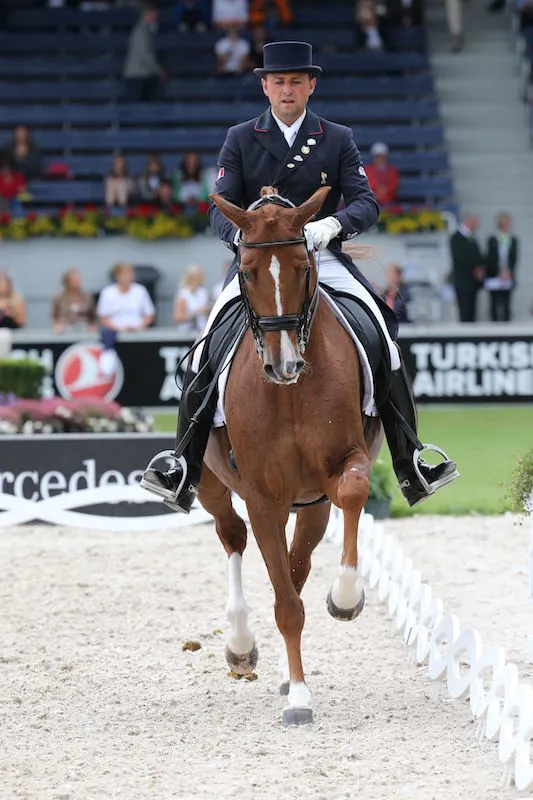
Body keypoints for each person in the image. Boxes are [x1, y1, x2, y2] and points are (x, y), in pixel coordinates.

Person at [141, 40, 458, 513]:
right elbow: (218, 207)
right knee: (205, 348)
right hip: (259, 261)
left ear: (310, 85)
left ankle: (411, 458)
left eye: (296, 81)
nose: (287, 90)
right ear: (266, 86)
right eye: (278, 82)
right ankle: (182, 466)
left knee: (384, 341)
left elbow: (365, 202)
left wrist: (332, 225)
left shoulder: (336, 137)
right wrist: (243, 240)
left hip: (320, 256)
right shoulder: (241, 138)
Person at [122, 3, 165, 102]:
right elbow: (144, 55)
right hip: (136, 78)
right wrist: (158, 69)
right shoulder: (140, 31)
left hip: (143, 77)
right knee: (137, 111)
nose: (155, 17)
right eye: (153, 15)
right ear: (146, 14)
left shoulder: (146, 31)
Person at [97, 263, 155, 334]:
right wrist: (117, 328)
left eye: (130, 274)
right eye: (124, 274)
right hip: (114, 332)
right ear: (117, 276)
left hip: (138, 331)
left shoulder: (140, 290)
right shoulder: (107, 292)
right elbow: (103, 317)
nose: (128, 277)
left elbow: (149, 315)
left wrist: (140, 326)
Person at [449, 214, 485, 322]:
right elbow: (460, 258)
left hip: (473, 282)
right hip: (462, 281)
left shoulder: (472, 238)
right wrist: (474, 269)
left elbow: (479, 256)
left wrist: (481, 269)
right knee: (464, 311)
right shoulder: (456, 238)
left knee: (472, 311)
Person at [485, 213, 518, 323]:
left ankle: (507, 327)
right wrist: (499, 272)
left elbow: (514, 259)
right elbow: (490, 258)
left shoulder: (513, 239)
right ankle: (494, 328)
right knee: (494, 303)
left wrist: (508, 272)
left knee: (506, 303)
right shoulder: (493, 239)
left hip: (508, 275)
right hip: (495, 275)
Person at [52, 268, 96, 333]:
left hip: (84, 328)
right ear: (67, 281)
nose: (76, 283)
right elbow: (54, 316)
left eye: (78, 280)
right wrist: (56, 326)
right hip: (64, 328)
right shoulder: (58, 297)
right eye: (73, 280)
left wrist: (93, 327)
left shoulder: (87, 297)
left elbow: (93, 316)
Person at [174, 264, 211, 334]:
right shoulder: (183, 293)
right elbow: (178, 317)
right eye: (201, 275)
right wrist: (195, 313)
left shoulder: (203, 292)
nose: (203, 278)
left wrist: (208, 310)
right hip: (186, 333)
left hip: (202, 331)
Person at [364, 142, 399, 207]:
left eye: (382, 156)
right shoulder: (368, 170)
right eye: (377, 157)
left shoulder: (392, 171)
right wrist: (376, 192)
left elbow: (393, 187)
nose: (380, 159)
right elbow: (367, 186)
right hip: (371, 202)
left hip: (388, 202)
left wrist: (384, 192)